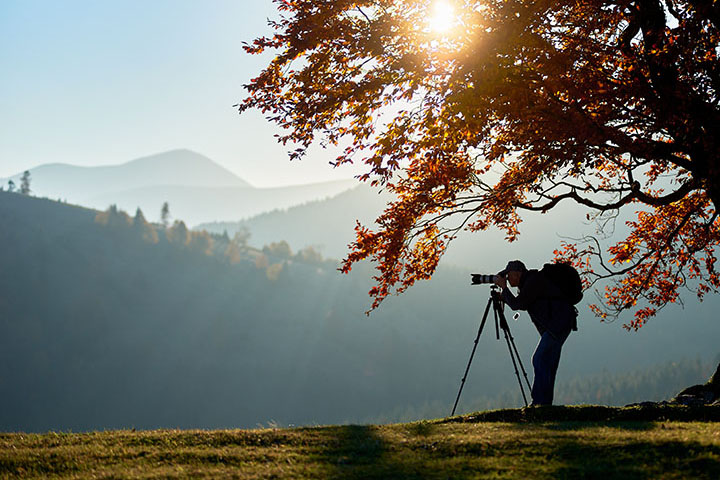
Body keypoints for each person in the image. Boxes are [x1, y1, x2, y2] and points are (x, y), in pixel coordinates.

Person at [493, 260, 576, 406]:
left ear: (517, 274)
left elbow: (518, 304)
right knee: (548, 363)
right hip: (562, 322)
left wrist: (504, 289)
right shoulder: (529, 282)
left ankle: (539, 402)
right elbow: (520, 302)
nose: (507, 278)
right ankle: (545, 404)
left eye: (508, 275)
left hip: (558, 324)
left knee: (539, 359)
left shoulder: (533, 281)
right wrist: (504, 296)